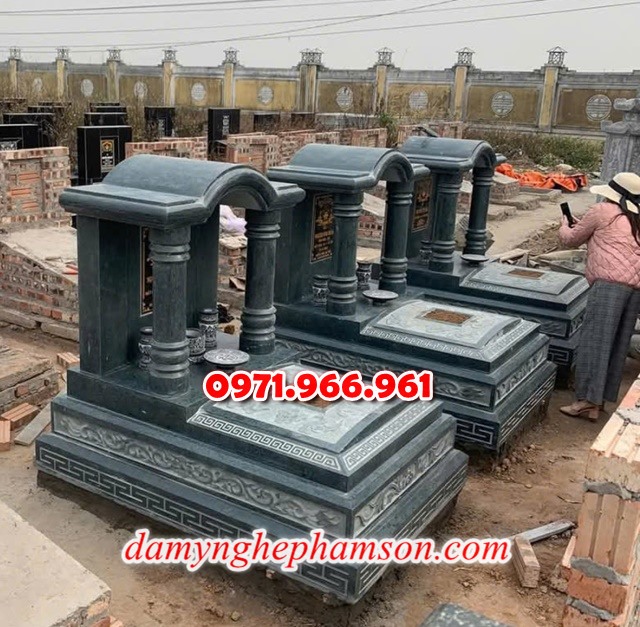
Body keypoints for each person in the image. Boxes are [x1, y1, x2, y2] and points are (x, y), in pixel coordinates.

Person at [559, 172, 640, 421]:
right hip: (634, 289)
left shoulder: (602, 210)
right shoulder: (636, 217)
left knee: (595, 341)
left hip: (608, 286)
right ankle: (599, 400)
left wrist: (564, 225)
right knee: (616, 344)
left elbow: (570, 240)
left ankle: (585, 401)